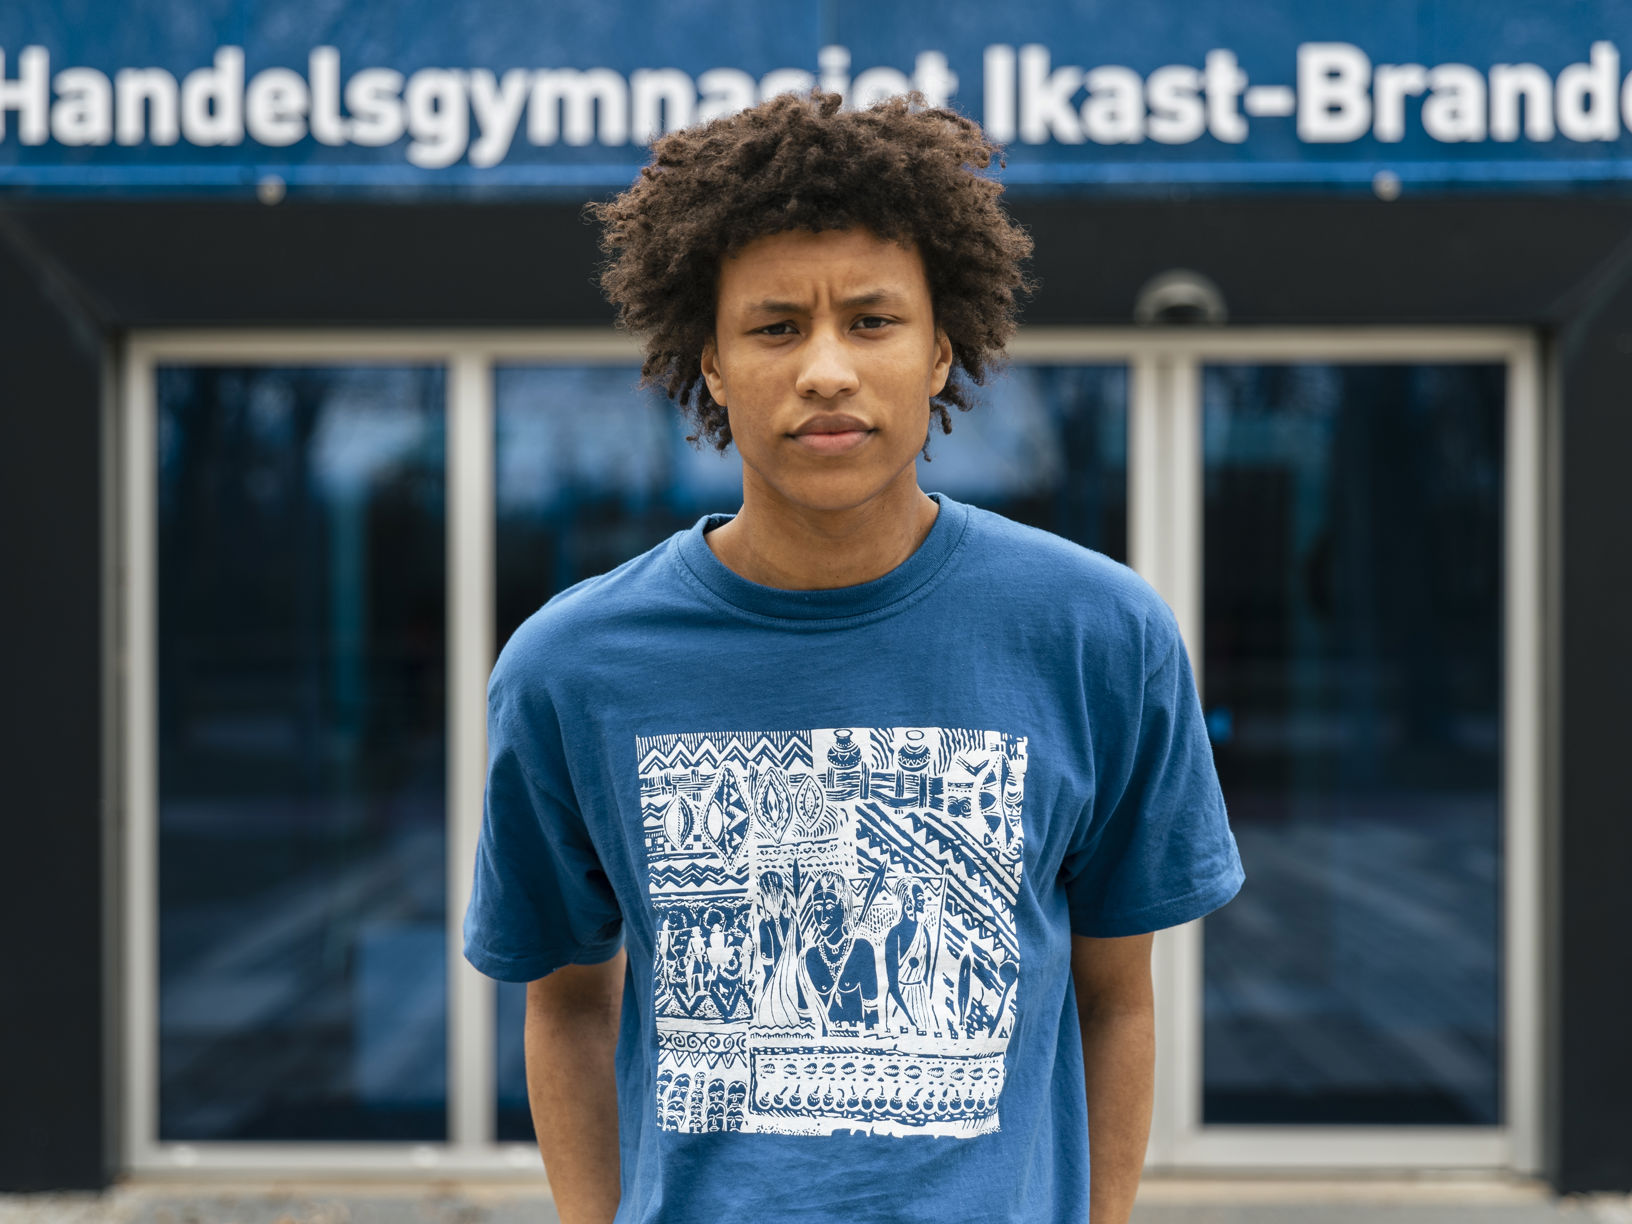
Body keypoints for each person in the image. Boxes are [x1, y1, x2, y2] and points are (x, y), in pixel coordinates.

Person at [462, 89, 1243, 1224]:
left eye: (872, 322)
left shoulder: (1098, 635)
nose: (826, 369)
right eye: (777, 328)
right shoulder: (570, 669)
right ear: (711, 363)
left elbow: (1116, 997)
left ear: (939, 351)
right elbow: (568, 1004)